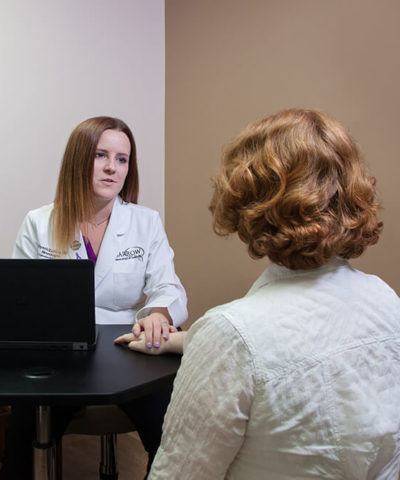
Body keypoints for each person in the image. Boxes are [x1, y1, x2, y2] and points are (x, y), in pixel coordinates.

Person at [116, 109, 400, 479]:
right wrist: (189, 340)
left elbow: (179, 473)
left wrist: (211, 345)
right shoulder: (385, 300)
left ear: (248, 198)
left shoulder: (232, 335)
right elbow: (299, 338)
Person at [0, 116, 188, 478]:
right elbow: (18, 299)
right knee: (24, 433)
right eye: (101, 155)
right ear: (78, 160)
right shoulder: (40, 222)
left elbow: (168, 287)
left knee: (171, 433)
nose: (111, 168)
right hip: (61, 356)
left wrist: (158, 315)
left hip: (129, 350)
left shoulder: (146, 222)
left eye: (122, 159)